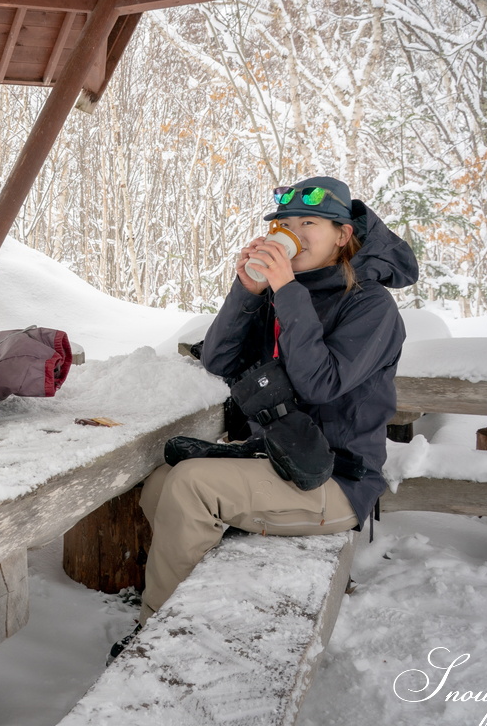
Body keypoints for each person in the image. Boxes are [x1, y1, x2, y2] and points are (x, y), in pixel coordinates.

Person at [133, 175, 418, 633]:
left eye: (309, 223)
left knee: (190, 485)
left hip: (335, 479)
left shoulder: (371, 305)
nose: (293, 232)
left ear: (342, 235)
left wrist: (287, 292)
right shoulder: (280, 294)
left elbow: (321, 384)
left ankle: (162, 634)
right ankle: (194, 600)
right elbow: (219, 360)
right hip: (273, 459)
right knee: (161, 482)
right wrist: (246, 290)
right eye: (285, 223)